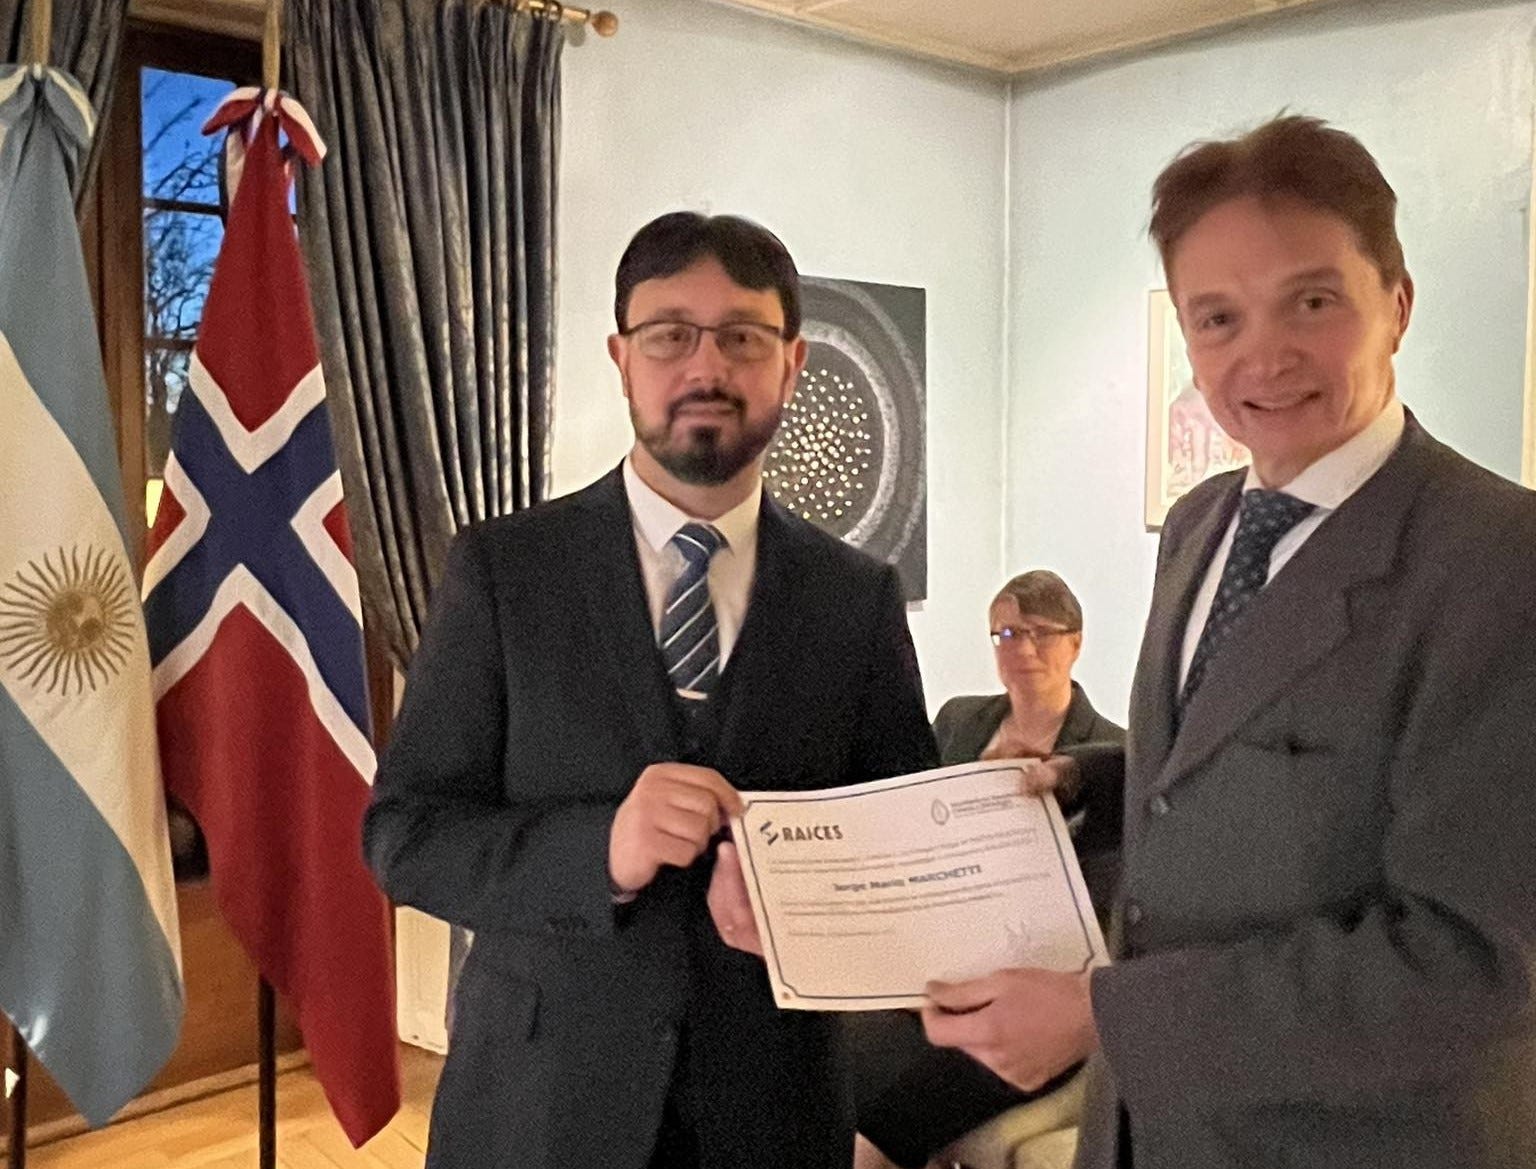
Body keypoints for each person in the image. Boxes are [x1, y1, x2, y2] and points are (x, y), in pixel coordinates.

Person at [912, 115, 1536, 1168]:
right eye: (1217, 318)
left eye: (1312, 301)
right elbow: (1235, 759)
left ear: (1397, 303)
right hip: (1146, 1133)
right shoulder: (1203, 523)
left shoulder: (1498, 560)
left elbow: (1471, 959)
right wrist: (1084, 780)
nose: (1265, 355)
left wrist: (1106, 1016)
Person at [363, 211, 939, 1169]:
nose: (705, 367)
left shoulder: (855, 597)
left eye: (742, 337)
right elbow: (406, 838)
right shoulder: (506, 571)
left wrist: (821, 908)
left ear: (792, 364)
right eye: (670, 334)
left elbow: (899, 849)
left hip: (773, 1117)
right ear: (622, 358)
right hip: (540, 1112)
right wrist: (602, 850)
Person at [847, 570, 1127, 1169]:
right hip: (934, 950)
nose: (1022, 649)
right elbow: (914, 819)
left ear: (1076, 643)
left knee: (885, 1111)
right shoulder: (960, 721)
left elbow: (1100, 897)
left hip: (1034, 969)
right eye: (1005, 634)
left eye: (1040, 633)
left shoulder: (1109, 749)